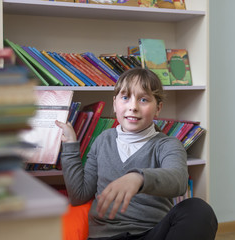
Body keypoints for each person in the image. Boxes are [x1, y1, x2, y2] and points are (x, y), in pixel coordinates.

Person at [56, 68, 217, 240]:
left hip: (152, 234)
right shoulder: (103, 141)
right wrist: (71, 145)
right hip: (105, 237)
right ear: (115, 103)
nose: (133, 107)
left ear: (158, 108)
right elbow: (78, 196)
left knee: (199, 209)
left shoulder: (167, 144)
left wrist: (139, 178)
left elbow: (178, 180)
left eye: (143, 99)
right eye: (125, 98)